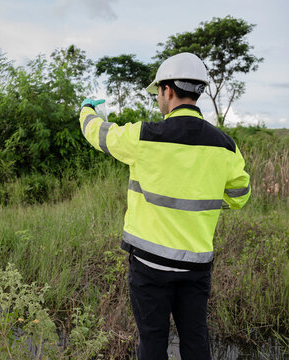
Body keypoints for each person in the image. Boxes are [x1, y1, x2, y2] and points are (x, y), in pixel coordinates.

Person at [79, 52, 251, 360]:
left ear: (167, 91)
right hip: (196, 267)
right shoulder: (225, 146)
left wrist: (87, 110)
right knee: (196, 341)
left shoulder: (145, 136)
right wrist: (207, 200)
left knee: (153, 340)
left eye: (158, 92)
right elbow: (240, 195)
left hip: (149, 267)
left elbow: (98, 133)